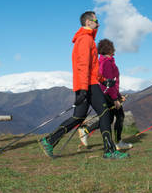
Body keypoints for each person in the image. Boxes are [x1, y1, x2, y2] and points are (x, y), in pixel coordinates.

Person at [39, 12, 129, 159]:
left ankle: (49, 140)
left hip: (88, 83)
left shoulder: (87, 39)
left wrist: (104, 81)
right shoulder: (85, 39)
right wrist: (83, 89)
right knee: (105, 114)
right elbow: (82, 66)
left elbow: (92, 68)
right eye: (96, 20)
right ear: (88, 22)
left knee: (78, 118)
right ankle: (109, 151)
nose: (98, 23)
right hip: (88, 85)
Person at [77, 39, 132, 149]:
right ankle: (118, 142)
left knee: (108, 119)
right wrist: (115, 98)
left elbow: (111, 83)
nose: (114, 50)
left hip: (107, 94)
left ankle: (86, 131)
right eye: (112, 47)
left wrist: (119, 95)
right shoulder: (107, 63)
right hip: (108, 94)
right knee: (120, 116)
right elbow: (109, 82)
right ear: (109, 49)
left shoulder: (105, 61)